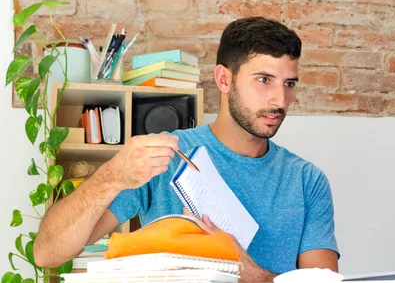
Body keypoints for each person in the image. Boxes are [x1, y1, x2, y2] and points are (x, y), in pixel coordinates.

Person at [33, 17, 340, 282]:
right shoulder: (163, 156)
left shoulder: (306, 181)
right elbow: (47, 253)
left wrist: (251, 276)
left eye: (289, 84)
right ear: (224, 79)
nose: (280, 100)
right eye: (264, 80)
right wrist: (111, 176)